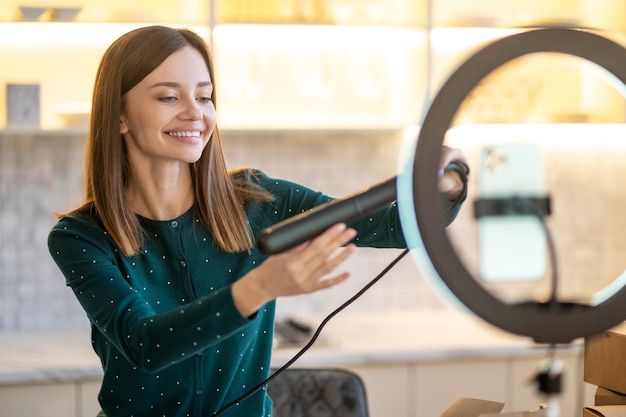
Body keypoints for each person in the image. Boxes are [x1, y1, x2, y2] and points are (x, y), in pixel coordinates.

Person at [47, 25, 469, 417]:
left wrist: (446, 188)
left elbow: (396, 226)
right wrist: (261, 286)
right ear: (118, 115)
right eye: (168, 97)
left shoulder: (259, 200)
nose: (194, 113)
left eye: (205, 96)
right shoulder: (81, 238)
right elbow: (146, 344)